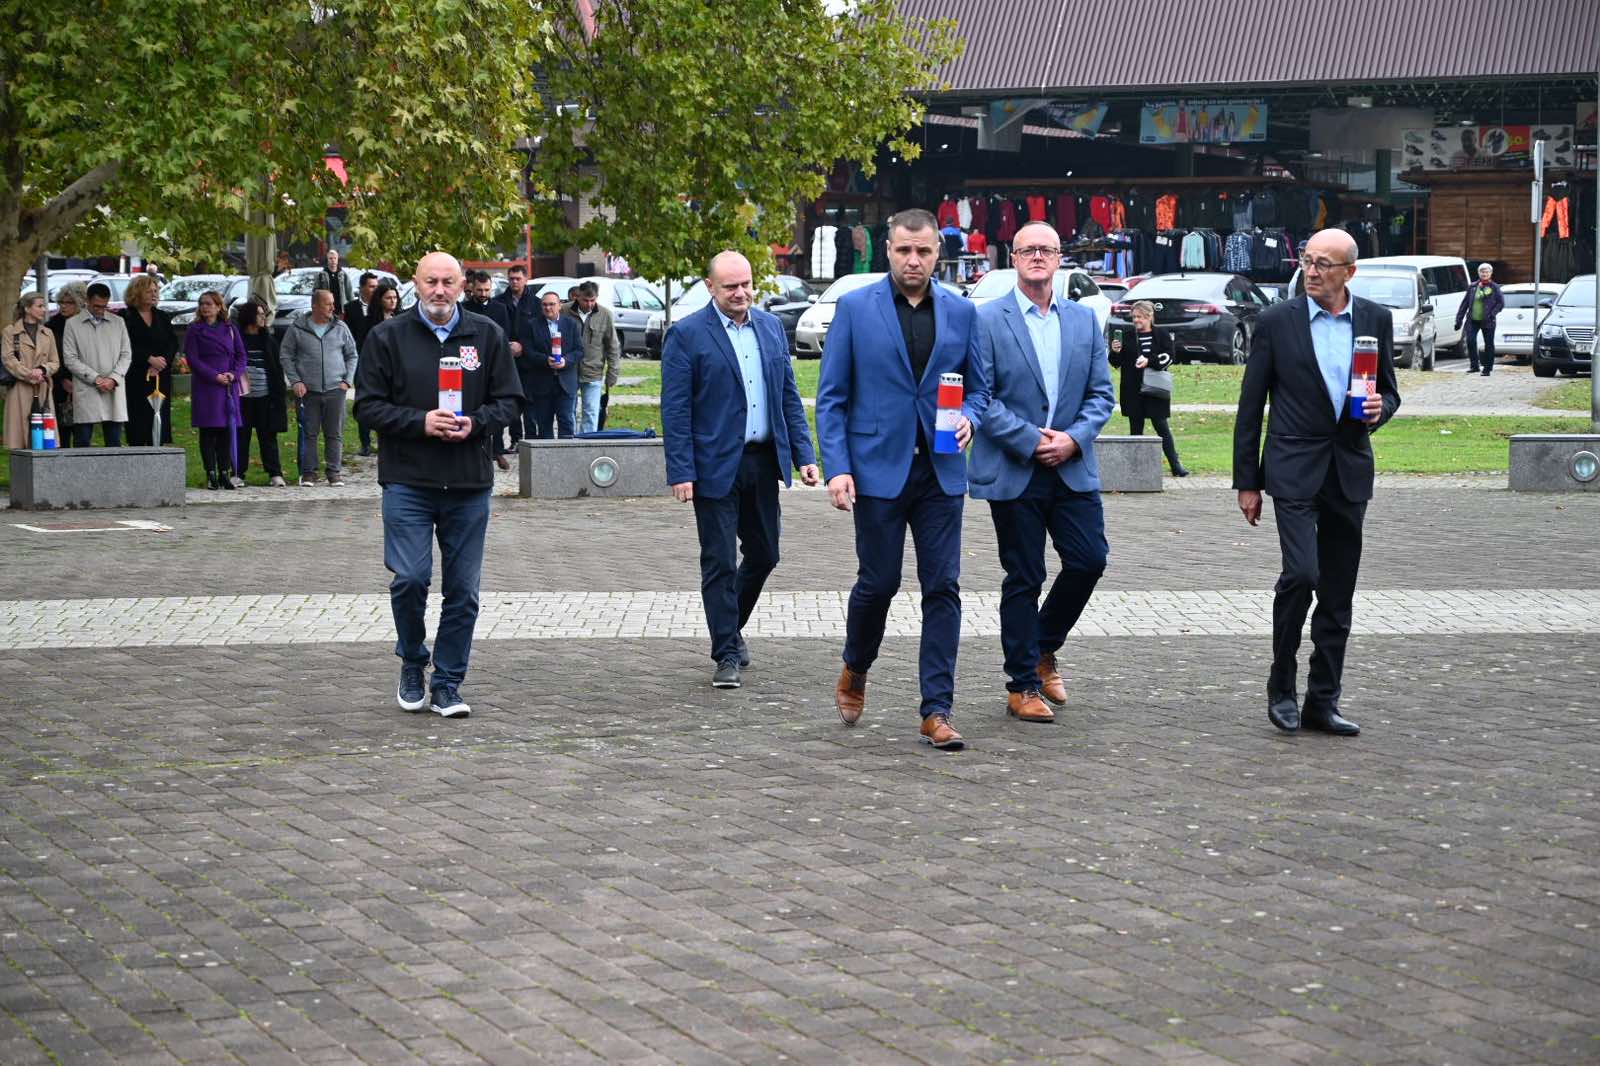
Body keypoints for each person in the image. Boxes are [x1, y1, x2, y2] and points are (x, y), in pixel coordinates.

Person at [815, 209, 985, 751]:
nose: (914, 260)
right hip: (876, 470)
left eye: (924, 251)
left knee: (943, 587)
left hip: (940, 471)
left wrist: (970, 418)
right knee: (878, 583)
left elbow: (981, 388)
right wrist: (838, 467)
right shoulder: (855, 308)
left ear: (938, 254)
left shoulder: (962, 311)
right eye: (904, 250)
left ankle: (937, 710)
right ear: (888, 249)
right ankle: (856, 665)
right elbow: (832, 397)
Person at [1233, 228, 1401, 738]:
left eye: (1323, 264)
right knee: (1302, 575)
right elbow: (1250, 406)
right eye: (1307, 261)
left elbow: (1389, 392)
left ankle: (1323, 701)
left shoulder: (1375, 319)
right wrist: (1247, 482)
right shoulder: (1276, 322)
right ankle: (1281, 685)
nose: (1311, 271)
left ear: (1350, 271)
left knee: (1337, 592)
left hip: (1348, 470)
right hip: (1292, 470)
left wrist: (1380, 410)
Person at [353, 251, 523, 719]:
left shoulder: (486, 335)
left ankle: (448, 683)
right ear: (416, 283)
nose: (440, 290)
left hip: (468, 483)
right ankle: (412, 660)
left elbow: (510, 401)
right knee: (410, 579)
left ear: (463, 284)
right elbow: (367, 406)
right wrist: (420, 422)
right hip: (408, 480)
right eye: (431, 281)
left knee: (463, 591)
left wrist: (478, 422)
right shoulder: (388, 336)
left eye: (449, 281)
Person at [968, 223, 1116, 725]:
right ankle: (1022, 685)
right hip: (1016, 467)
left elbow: (1102, 395)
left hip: (1072, 464)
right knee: (1025, 575)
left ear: (1059, 258)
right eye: (1027, 249)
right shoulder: (986, 320)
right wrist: (1030, 439)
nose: (1037, 257)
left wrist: (1073, 438)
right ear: (1013, 258)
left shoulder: (1083, 320)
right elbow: (981, 397)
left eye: (1046, 250)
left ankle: (1042, 646)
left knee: (1089, 560)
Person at [662, 251, 820, 688]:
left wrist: (805, 456)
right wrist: (681, 470)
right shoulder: (687, 335)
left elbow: (787, 396)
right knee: (719, 560)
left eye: (746, 284)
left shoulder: (769, 328)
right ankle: (726, 653)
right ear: (710, 287)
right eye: (730, 286)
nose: (740, 293)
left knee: (765, 553)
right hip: (713, 466)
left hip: (762, 461)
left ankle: (729, 627)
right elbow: (675, 409)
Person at [280, 289, 359, 485]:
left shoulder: (340, 327)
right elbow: (286, 355)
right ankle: (309, 473)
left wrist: (347, 380)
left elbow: (352, 355)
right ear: (314, 306)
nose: (333, 307)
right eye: (328, 304)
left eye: (333, 303)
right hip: (308, 390)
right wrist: (295, 381)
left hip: (336, 389)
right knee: (309, 433)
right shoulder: (297, 328)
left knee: (335, 433)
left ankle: (334, 472)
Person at [1107, 300, 1187, 476]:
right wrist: (1115, 351)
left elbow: (1170, 357)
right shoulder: (1127, 336)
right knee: (1136, 430)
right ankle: (1136, 469)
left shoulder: (1162, 334)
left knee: (1162, 427)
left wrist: (1149, 361)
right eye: (1134, 317)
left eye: (1140, 317)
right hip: (1132, 390)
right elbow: (1115, 363)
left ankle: (1175, 465)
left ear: (1150, 316)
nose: (1136, 320)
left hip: (1155, 388)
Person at [184, 290, 249, 489]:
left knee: (226, 430)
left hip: (228, 386)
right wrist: (214, 376)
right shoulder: (195, 329)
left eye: (209, 304)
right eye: (202, 303)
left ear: (219, 307)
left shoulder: (230, 329)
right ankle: (211, 472)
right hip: (207, 386)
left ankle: (224, 472)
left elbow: (241, 356)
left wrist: (233, 374)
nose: (205, 307)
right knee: (208, 430)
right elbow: (192, 358)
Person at [61, 282, 131, 446]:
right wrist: (96, 379)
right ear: (87, 301)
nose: (100, 310)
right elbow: (70, 358)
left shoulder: (118, 322)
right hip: (86, 387)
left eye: (104, 306)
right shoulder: (72, 324)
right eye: (96, 306)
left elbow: (126, 354)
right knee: (82, 441)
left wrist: (113, 379)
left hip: (113, 388)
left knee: (114, 442)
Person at [462, 270, 516, 469]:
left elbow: (505, 335)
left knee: (495, 407)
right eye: (479, 290)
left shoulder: (500, 309)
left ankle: (498, 450)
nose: (483, 294)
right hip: (471, 362)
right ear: (472, 288)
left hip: (493, 362)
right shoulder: (464, 308)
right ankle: (477, 450)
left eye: (486, 290)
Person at [118, 273, 177, 446]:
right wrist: (148, 358)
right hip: (136, 376)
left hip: (159, 376)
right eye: (149, 291)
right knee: (138, 421)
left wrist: (161, 362)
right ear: (136, 293)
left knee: (158, 417)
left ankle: (157, 448)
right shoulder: (125, 317)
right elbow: (124, 344)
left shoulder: (162, 316)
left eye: (155, 291)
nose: (154, 294)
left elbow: (172, 343)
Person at [235, 300, 288, 486]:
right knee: (241, 436)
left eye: (263, 314)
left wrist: (278, 397)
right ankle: (238, 473)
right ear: (249, 316)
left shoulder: (269, 340)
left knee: (268, 437)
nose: (263, 317)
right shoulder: (237, 339)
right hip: (242, 397)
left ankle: (275, 473)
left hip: (265, 396)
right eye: (259, 314)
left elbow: (276, 370)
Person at [520, 291, 581, 439]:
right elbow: (528, 351)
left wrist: (566, 361)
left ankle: (565, 452)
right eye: (545, 305)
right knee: (544, 424)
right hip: (542, 382)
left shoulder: (571, 324)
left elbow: (579, 351)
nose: (548, 308)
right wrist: (545, 360)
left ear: (560, 305)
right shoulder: (532, 325)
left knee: (566, 421)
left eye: (552, 304)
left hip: (566, 383)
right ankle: (546, 454)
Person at [3, 294, 60, 449]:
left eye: (44, 306)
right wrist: (29, 374)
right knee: (19, 439)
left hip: (43, 389)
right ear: (27, 308)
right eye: (40, 306)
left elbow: (55, 362)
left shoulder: (48, 333)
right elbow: (8, 360)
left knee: (45, 439)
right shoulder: (10, 332)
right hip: (19, 390)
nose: (44, 309)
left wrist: (42, 370)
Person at [570, 281, 622, 434]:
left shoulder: (605, 315)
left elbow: (613, 346)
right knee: (568, 412)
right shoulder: (565, 311)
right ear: (577, 296)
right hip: (568, 371)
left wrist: (613, 372)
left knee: (591, 412)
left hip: (593, 371)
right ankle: (568, 442)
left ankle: (587, 443)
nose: (589, 304)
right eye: (585, 300)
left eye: (592, 300)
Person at [496, 264, 539, 450]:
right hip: (506, 359)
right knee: (512, 400)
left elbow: (538, 331)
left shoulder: (536, 304)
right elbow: (495, 329)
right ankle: (515, 439)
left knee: (530, 401)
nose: (514, 282)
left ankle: (531, 439)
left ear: (526, 279)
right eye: (511, 279)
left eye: (518, 279)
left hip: (528, 361)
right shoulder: (498, 302)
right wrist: (507, 345)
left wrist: (523, 346)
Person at [356, 281, 400, 456]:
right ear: (380, 299)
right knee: (369, 403)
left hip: (396, 367)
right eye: (388, 298)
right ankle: (365, 442)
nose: (393, 301)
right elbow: (362, 344)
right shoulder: (370, 321)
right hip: (374, 366)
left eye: (395, 297)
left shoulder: (401, 319)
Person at [46, 286, 83, 446]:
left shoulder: (86, 325)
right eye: (61, 302)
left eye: (69, 302)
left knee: (83, 432)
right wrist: (62, 379)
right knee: (62, 430)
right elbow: (50, 356)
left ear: (80, 303)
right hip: (59, 382)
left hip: (84, 381)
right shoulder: (52, 327)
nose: (63, 306)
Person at [1456, 263, 1504, 377]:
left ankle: (1487, 368)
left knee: (1489, 345)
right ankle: (1474, 366)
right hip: (1472, 320)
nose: (1484, 274)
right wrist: (1459, 319)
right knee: (1470, 341)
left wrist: (1492, 314)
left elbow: (1501, 303)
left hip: (1488, 320)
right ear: (1479, 273)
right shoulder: (1473, 286)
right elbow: (1464, 304)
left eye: (1487, 272)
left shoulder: (1494, 287)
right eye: (1482, 272)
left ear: (1490, 273)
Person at [346, 272, 379, 342]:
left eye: (377, 287)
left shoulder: (382, 306)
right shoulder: (349, 308)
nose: (376, 290)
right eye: (372, 287)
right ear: (362, 287)